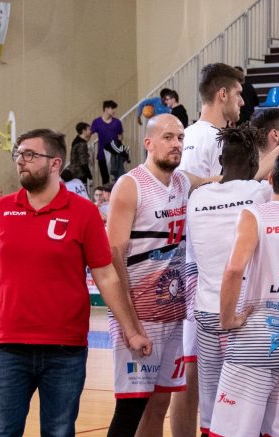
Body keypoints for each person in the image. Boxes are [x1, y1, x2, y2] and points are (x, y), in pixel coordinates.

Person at [0, 128, 151, 437]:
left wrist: (132, 330)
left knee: (59, 432)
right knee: (0, 432)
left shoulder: (84, 212)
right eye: (19, 154)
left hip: (65, 350)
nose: (21, 161)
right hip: (8, 347)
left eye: (30, 155)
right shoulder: (1, 210)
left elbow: (106, 275)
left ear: (55, 163)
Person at [209, 150, 279, 437]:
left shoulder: (255, 215)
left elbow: (234, 269)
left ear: (271, 178)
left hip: (254, 343)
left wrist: (227, 319)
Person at [105, 114, 193, 437]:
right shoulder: (131, 185)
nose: (176, 144)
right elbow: (113, 257)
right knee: (130, 410)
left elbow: (226, 179)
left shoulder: (183, 182)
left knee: (159, 405)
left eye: (180, 138)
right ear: (149, 143)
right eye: (168, 137)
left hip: (172, 314)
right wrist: (130, 325)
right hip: (140, 315)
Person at [187, 126, 272, 436]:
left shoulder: (197, 197)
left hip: (207, 312)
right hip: (242, 315)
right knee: (246, 409)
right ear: (254, 163)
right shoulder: (259, 193)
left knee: (210, 406)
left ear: (221, 161)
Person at [180, 63, 245, 178]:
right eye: (238, 94)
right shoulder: (219, 141)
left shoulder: (184, 135)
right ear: (223, 94)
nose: (242, 102)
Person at [91, 100, 123, 184]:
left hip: (115, 154)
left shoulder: (117, 122)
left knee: (117, 178)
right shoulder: (97, 122)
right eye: (112, 108)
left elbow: (120, 136)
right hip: (102, 154)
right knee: (105, 178)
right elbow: (90, 134)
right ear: (106, 109)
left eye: (114, 108)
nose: (114, 110)